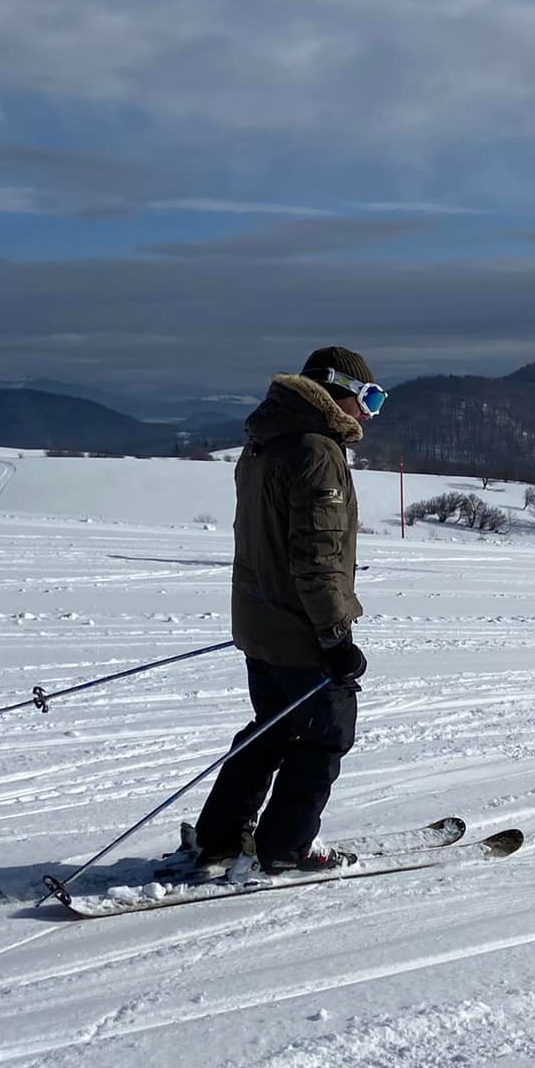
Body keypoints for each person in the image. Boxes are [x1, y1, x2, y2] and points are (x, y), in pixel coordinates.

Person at [188, 346, 387, 874]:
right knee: (326, 736)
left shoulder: (264, 443)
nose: (369, 412)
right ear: (336, 388)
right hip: (301, 628)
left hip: (259, 622)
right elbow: (317, 556)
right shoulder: (316, 450)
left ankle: (219, 838)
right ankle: (285, 848)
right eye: (369, 396)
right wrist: (334, 637)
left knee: (269, 729)